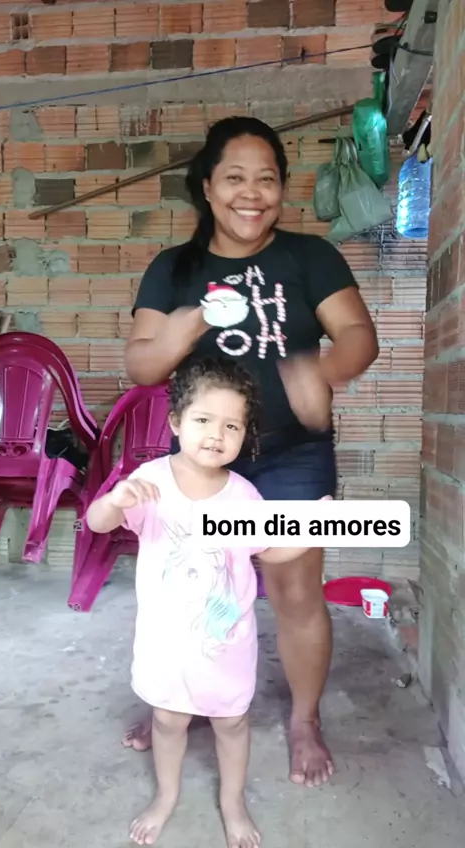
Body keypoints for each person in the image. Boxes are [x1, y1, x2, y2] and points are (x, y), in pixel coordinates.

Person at [123, 116, 379, 788]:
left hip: (294, 453)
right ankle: (177, 703)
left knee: (295, 590)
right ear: (207, 187)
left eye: (267, 179)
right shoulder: (174, 269)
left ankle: (304, 720)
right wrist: (180, 334)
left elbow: (359, 335)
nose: (252, 193)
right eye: (234, 177)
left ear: (282, 189)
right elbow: (142, 364)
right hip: (202, 462)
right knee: (189, 586)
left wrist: (323, 371)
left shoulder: (310, 257)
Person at [88, 357, 323, 847]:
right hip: (166, 645)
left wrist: (314, 527)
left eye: (232, 426)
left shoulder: (244, 497)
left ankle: (232, 802)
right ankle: (166, 796)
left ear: (244, 435)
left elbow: (270, 549)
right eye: (203, 420)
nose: (217, 434)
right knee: (168, 720)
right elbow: (97, 522)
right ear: (176, 422)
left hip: (225, 645)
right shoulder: (149, 482)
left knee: (231, 723)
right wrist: (114, 501)